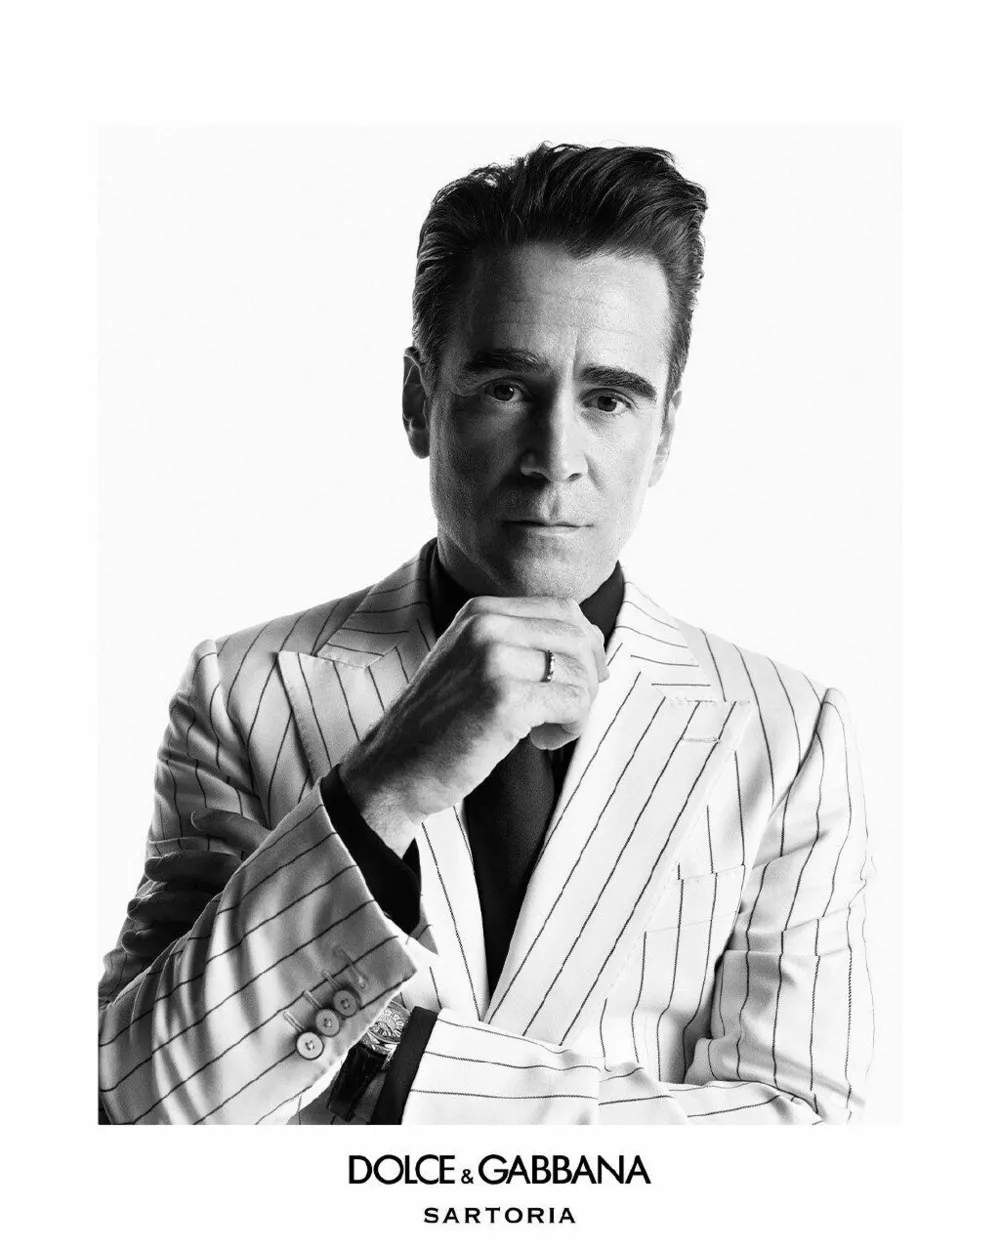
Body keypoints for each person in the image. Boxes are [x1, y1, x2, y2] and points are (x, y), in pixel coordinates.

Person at [98, 142, 874, 1125]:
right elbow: (134, 1107)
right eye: (507, 387)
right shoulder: (242, 688)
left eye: (608, 398)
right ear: (419, 400)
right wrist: (379, 789)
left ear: (664, 432)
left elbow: (805, 1139)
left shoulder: (786, 731)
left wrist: (406, 1075)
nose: (555, 458)